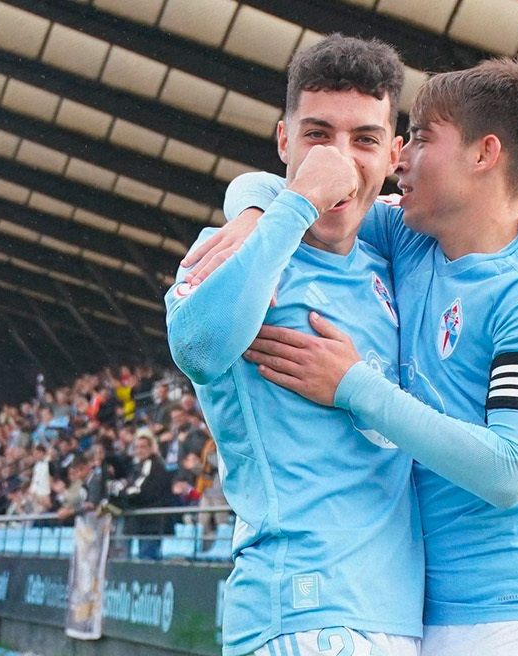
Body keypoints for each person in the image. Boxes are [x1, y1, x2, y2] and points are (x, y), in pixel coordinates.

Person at [217, 58, 518, 655]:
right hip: (424, 612)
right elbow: (298, 184)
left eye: (421, 139)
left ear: (484, 154)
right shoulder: (409, 235)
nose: (399, 158)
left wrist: (353, 385)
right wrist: (251, 212)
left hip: (514, 611)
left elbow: (506, 473)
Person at [166, 36, 424, 655]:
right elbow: (199, 348)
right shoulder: (230, 252)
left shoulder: (391, 261)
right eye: (317, 136)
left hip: (403, 619)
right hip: (300, 615)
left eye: (363, 140)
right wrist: (291, 203)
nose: (339, 160)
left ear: (394, 154)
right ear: (284, 141)